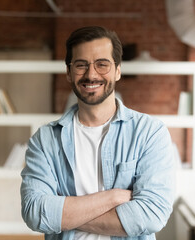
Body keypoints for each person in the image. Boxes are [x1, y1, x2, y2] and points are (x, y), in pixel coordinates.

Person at [21, 26, 175, 240]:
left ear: (118, 70)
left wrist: (63, 214)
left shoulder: (149, 133)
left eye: (102, 64)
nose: (91, 74)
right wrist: (112, 198)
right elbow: (35, 212)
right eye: (81, 65)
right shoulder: (45, 140)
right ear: (68, 72)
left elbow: (151, 215)